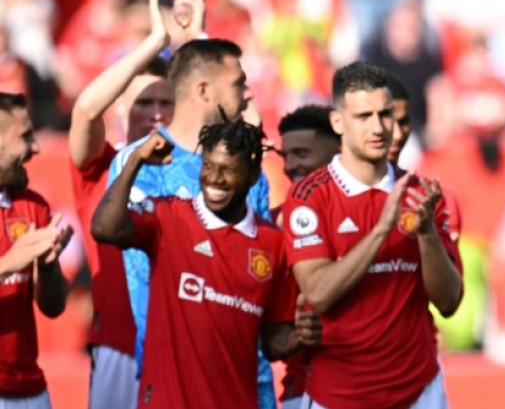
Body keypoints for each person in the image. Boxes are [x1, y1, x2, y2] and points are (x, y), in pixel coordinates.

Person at [92, 120, 319, 408]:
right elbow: (104, 229)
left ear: (252, 176)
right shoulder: (168, 215)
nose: (215, 178)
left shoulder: (272, 244)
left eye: (228, 169)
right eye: (209, 166)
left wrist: (302, 335)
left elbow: (273, 343)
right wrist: (136, 159)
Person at [281, 62, 463, 409]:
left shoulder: (421, 194)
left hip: (418, 391)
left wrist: (426, 233)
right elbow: (318, 292)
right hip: (339, 395)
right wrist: (383, 229)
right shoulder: (309, 197)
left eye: (385, 115)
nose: (379, 128)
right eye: (363, 116)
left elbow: (449, 302)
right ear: (338, 123)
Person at [108, 37, 277, 408]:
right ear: (203, 90)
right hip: (177, 385)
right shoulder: (142, 164)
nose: (247, 95)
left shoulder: (251, 173)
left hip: (251, 382)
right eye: (238, 83)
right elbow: (145, 284)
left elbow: (261, 269)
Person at [68, 0, 176, 409]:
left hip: (180, 346)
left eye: (166, 102)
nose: (156, 113)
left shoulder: (196, 173)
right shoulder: (101, 166)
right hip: (118, 347)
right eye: (144, 103)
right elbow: (83, 112)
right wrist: (149, 46)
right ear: (120, 110)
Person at [0, 92, 73, 409]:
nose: (36, 147)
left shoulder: (32, 205)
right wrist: (7, 265)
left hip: (30, 390)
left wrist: (47, 267)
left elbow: (53, 308)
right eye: (25, 136)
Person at [272, 104, 339, 409]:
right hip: (302, 394)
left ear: (339, 152)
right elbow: (270, 342)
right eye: (285, 155)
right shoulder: (271, 226)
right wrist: (301, 336)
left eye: (302, 153)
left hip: (382, 390)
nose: (290, 165)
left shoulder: (377, 213)